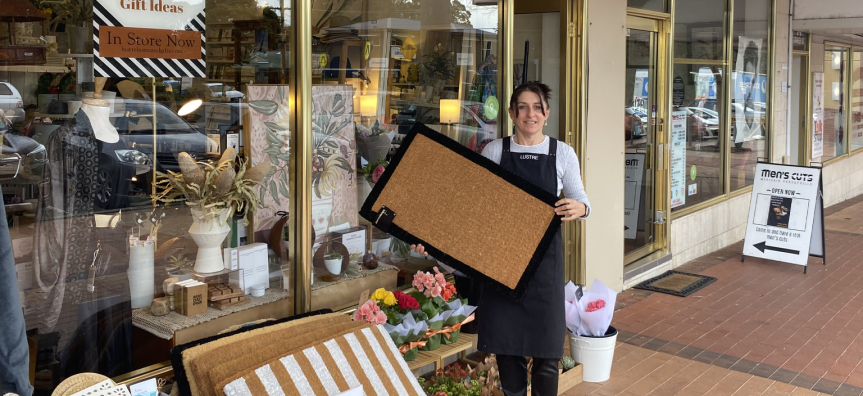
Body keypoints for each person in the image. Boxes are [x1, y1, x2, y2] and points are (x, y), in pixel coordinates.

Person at [413, 81, 590, 395]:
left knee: (548, 355)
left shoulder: (561, 153)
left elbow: (582, 200)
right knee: (508, 354)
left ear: (547, 114)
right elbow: (472, 208)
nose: (530, 114)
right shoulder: (496, 150)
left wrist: (580, 207)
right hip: (500, 267)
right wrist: (433, 237)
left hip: (544, 270)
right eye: (522, 107)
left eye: (537, 107)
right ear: (511, 113)